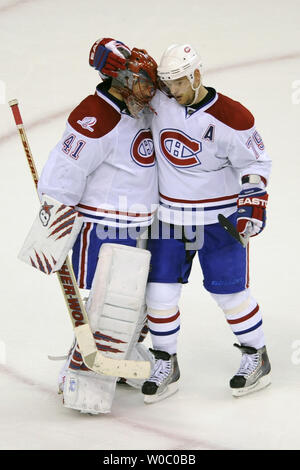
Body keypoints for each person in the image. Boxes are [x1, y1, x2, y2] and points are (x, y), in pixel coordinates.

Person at [93, 41, 272, 402]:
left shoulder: (233, 117)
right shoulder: (159, 99)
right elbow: (129, 75)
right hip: (170, 219)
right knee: (159, 295)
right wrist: (109, 61)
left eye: (177, 82)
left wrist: (253, 202)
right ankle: (165, 363)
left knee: (230, 293)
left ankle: (256, 356)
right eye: (166, 81)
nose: (169, 90)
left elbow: (256, 163)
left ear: (196, 75)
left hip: (218, 219)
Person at [37, 38, 159, 412]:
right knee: (110, 307)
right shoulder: (94, 117)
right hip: (106, 227)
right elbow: (61, 177)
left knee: (142, 304)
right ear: (117, 78)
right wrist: (55, 223)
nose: (149, 90)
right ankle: (80, 383)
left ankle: (119, 358)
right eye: (140, 81)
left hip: (143, 225)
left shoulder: (136, 108)